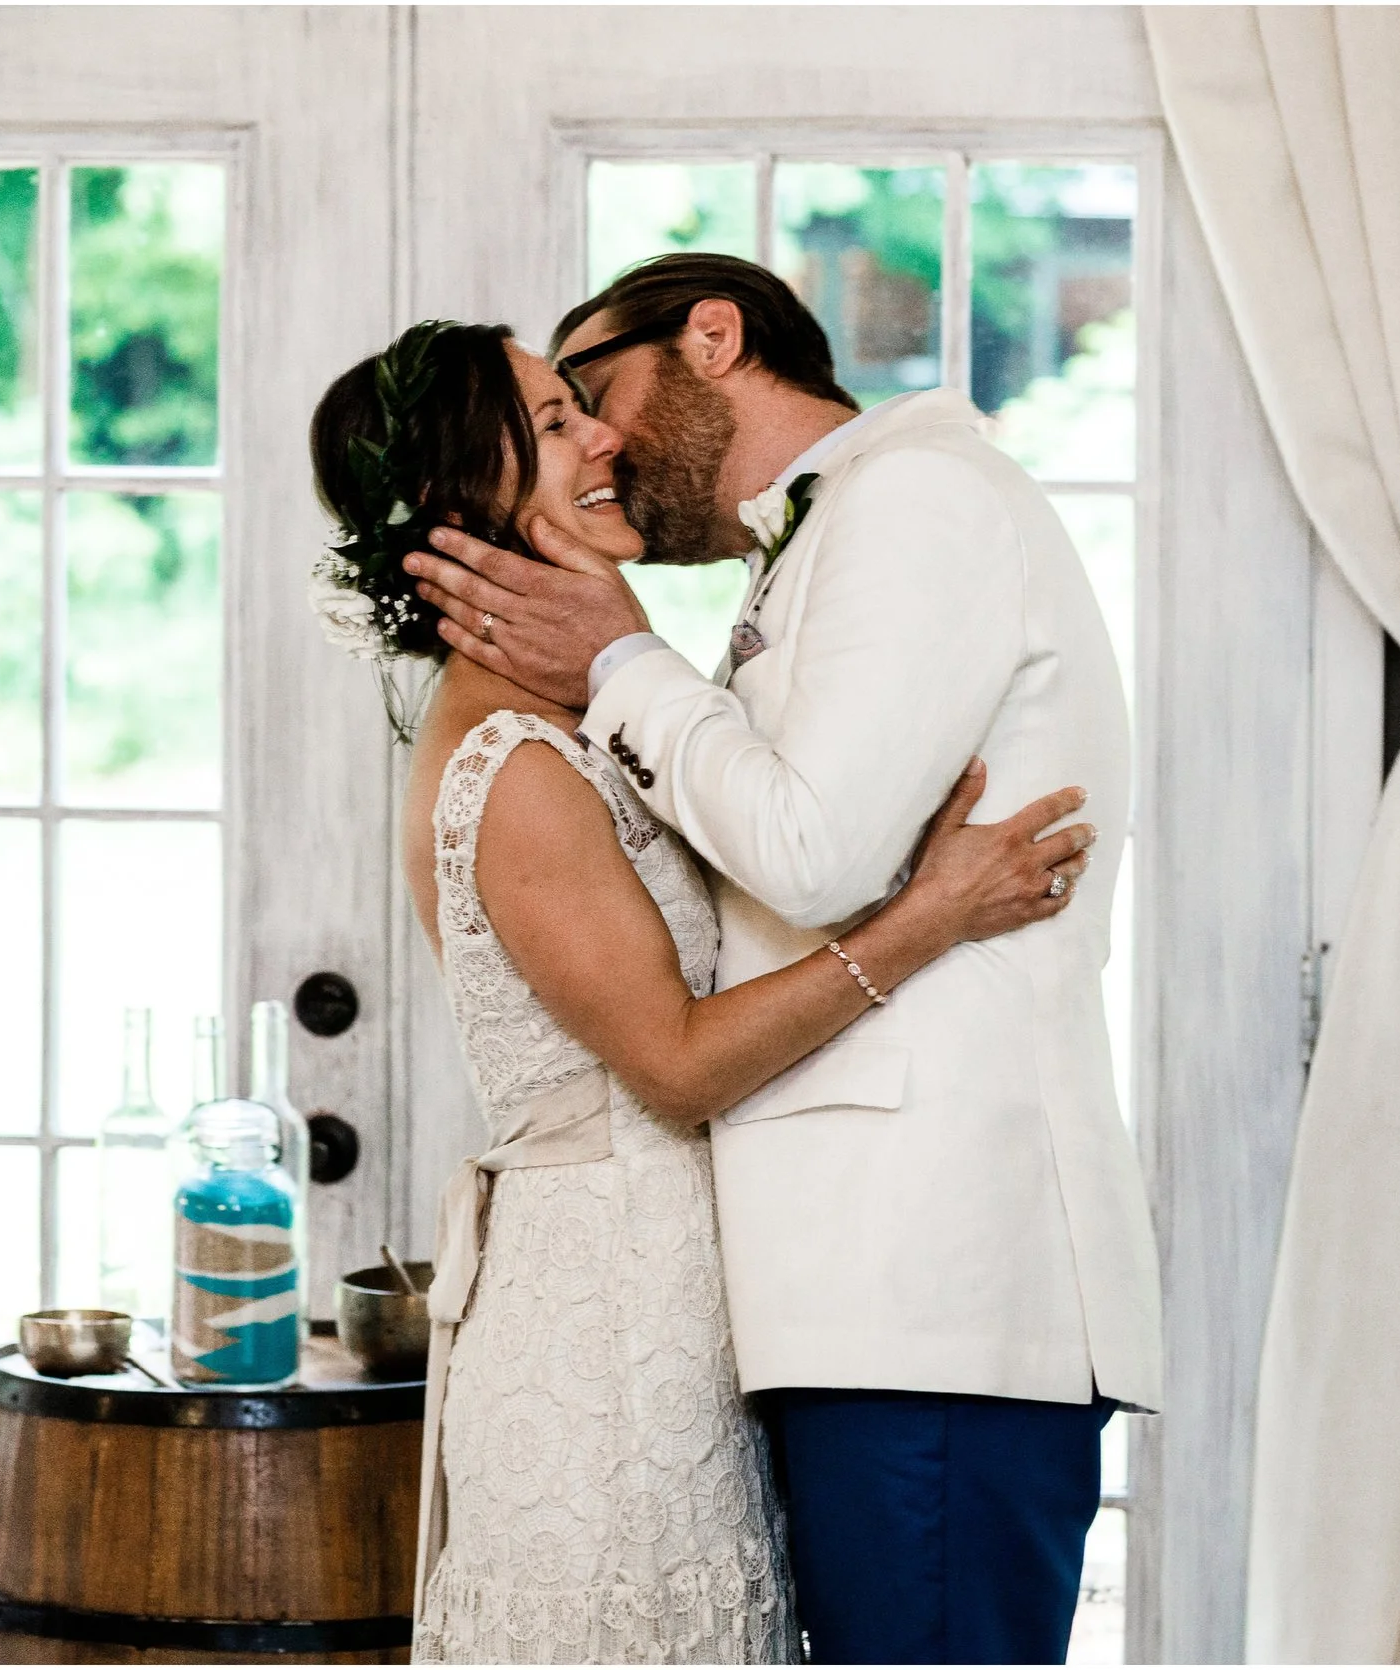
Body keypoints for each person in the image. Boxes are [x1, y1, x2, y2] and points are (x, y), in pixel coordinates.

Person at [399, 255, 1165, 1665]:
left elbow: (809, 852)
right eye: (561, 418)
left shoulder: (917, 502)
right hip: (831, 1304)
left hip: (927, 1284)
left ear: (713, 337)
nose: (605, 441)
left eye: (601, 393)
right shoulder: (809, 549)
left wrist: (626, 658)